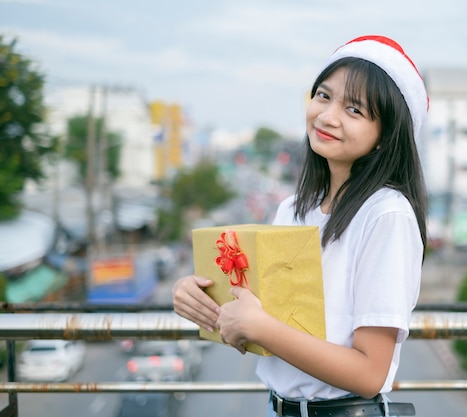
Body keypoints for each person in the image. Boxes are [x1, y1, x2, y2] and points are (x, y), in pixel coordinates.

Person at [172, 34, 429, 417]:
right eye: (324, 96)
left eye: (354, 110)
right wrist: (203, 301)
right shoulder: (293, 208)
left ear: (384, 137)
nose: (327, 116)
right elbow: (264, 328)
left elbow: (370, 373)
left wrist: (259, 327)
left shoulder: (386, 215)